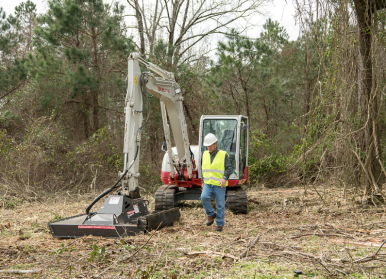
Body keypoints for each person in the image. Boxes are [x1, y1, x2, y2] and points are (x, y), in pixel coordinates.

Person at [200, 133, 233, 232]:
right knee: (203, 197)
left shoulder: (223, 154)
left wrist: (224, 178)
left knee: (220, 205)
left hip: (219, 184)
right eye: (207, 146)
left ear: (215, 144)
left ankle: (219, 224)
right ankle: (210, 214)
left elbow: (229, 168)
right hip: (208, 183)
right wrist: (202, 181)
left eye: (210, 145)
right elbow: (203, 168)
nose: (209, 147)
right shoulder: (205, 154)